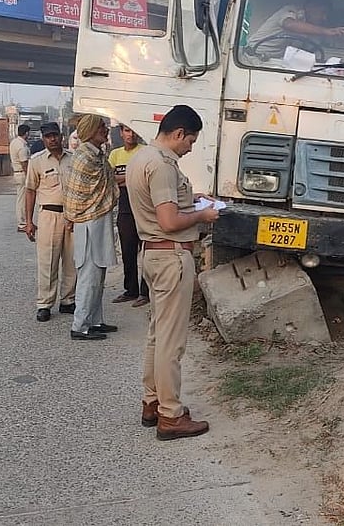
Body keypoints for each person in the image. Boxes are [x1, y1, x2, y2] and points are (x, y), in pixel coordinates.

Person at [127, 104, 219, 440]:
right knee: (171, 342)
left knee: (157, 335)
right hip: (171, 257)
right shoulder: (163, 165)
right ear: (179, 133)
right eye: (190, 141)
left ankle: (153, 402)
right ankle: (170, 414)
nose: (190, 147)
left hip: (153, 256)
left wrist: (191, 199)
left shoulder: (141, 157)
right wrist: (202, 215)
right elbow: (168, 222)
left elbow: (161, 205)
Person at [64, 113, 119, 341]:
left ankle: (95, 321)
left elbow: (107, 183)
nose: (105, 131)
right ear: (91, 131)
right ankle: (80, 326)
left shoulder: (96, 154)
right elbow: (83, 194)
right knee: (89, 275)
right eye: (101, 129)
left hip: (98, 220)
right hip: (89, 222)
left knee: (99, 274)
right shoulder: (85, 157)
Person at [23, 122, 77, 321]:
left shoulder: (73, 158)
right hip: (48, 215)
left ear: (61, 136)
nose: (52, 139)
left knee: (72, 260)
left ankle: (68, 301)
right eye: (48, 136)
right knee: (48, 261)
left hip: (72, 216)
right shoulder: (37, 161)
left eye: (55, 135)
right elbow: (30, 191)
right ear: (43, 139)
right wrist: (28, 221)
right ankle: (44, 303)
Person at [108, 124, 150, 307]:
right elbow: (109, 178)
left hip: (143, 205)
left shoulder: (145, 152)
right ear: (121, 133)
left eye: (133, 130)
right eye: (126, 130)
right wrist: (132, 177)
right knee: (128, 250)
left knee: (147, 251)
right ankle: (130, 290)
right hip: (125, 206)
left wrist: (124, 178)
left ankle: (145, 292)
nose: (130, 134)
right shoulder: (115, 155)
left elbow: (146, 177)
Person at [245, 0, 344, 58]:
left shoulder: (312, 30)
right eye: (323, 13)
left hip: (275, 63)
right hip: (252, 58)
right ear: (310, 7)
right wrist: (326, 31)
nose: (324, 18)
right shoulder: (291, 11)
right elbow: (289, 24)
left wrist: (339, 39)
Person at [9, 124, 32, 232]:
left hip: (17, 173)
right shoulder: (22, 146)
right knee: (22, 201)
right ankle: (22, 223)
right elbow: (24, 163)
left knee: (21, 199)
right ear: (26, 133)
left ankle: (24, 222)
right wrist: (29, 176)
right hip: (22, 174)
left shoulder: (14, 142)